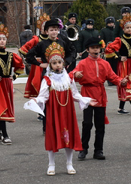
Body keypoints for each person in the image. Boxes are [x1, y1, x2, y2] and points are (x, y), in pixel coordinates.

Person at [24, 42, 96, 176]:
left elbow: (75, 94)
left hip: (67, 111)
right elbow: (43, 96)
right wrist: (36, 100)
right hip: (54, 112)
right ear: (50, 65)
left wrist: (85, 99)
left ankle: (69, 163)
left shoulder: (69, 78)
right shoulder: (47, 80)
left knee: (69, 136)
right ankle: (51, 164)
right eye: (54, 63)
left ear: (63, 63)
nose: (57, 65)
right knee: (53, 136)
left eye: (59, 62)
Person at [72, 36, 127, 161]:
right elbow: (72, 75)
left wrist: (121, 81)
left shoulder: (105, 63)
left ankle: (98, 150)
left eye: (97, 48)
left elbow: (113, 77)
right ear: (88, 49)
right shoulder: (83, 63)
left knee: (100, 125)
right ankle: (83, 149)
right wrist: (76, 74)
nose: (95, 50)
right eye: (93, 48)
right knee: (87, 123)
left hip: (100, 95)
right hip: (87, 94)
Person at [25, 18, 76, 131]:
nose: (54, 32)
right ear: (46, 32)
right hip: (48, 76)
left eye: (56, 30)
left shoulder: (63, 41)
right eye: (51, 30)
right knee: (47, 100)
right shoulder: (42, 44)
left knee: (62, 98)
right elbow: (29, 55)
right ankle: (46, 126)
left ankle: (61, 124)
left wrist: (66, 62)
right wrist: (39, 64)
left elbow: (72, 51)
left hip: (62, 75)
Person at [105, 17, 131, 115]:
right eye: (127, 28)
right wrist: (118, 57)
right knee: (126, 83)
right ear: (123, 29)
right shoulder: (120, 40)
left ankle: (121, 108)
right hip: (124, 64)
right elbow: (109, 49)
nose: (129, 29)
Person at [21, 14, 50, 99]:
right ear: (40, 28)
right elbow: (23, 49)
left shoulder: (52, 39)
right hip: (38, 65)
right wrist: (32, 59)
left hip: (50, 64)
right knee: (38, 83)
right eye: (43, 26)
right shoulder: (36, 39)